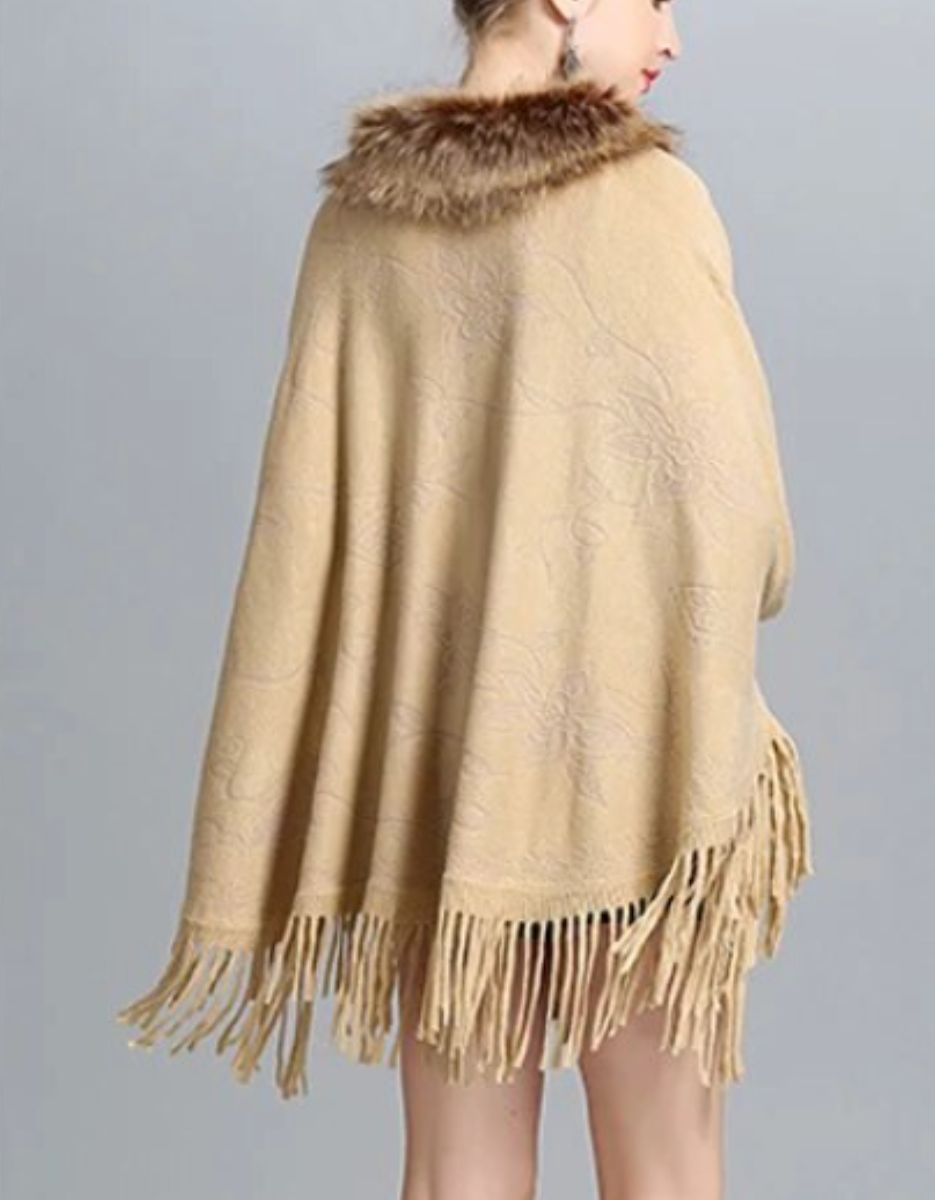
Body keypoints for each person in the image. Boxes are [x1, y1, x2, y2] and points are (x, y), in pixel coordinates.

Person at [116, 2, 814, 1198]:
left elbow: (313, 519)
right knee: (664, 1167)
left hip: (443, 781)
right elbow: (742, 525)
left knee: (454, 1173)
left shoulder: (355, 225)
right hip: (628, 780)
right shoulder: (651, 205)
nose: (672, 39)